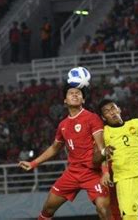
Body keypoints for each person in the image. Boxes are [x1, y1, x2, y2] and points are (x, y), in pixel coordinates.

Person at [19, 86, 112, 220]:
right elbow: (54, 148)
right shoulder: (63, 125)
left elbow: (102, 148)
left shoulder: (92, 118)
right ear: (65, 100)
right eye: (71, 93)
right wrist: (33, 163)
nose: (74, 95)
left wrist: (105, 172)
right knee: (47, 209)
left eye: (78, 93)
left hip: (93, 173)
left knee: (103, 210)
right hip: (72, 173)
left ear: (83, 100)